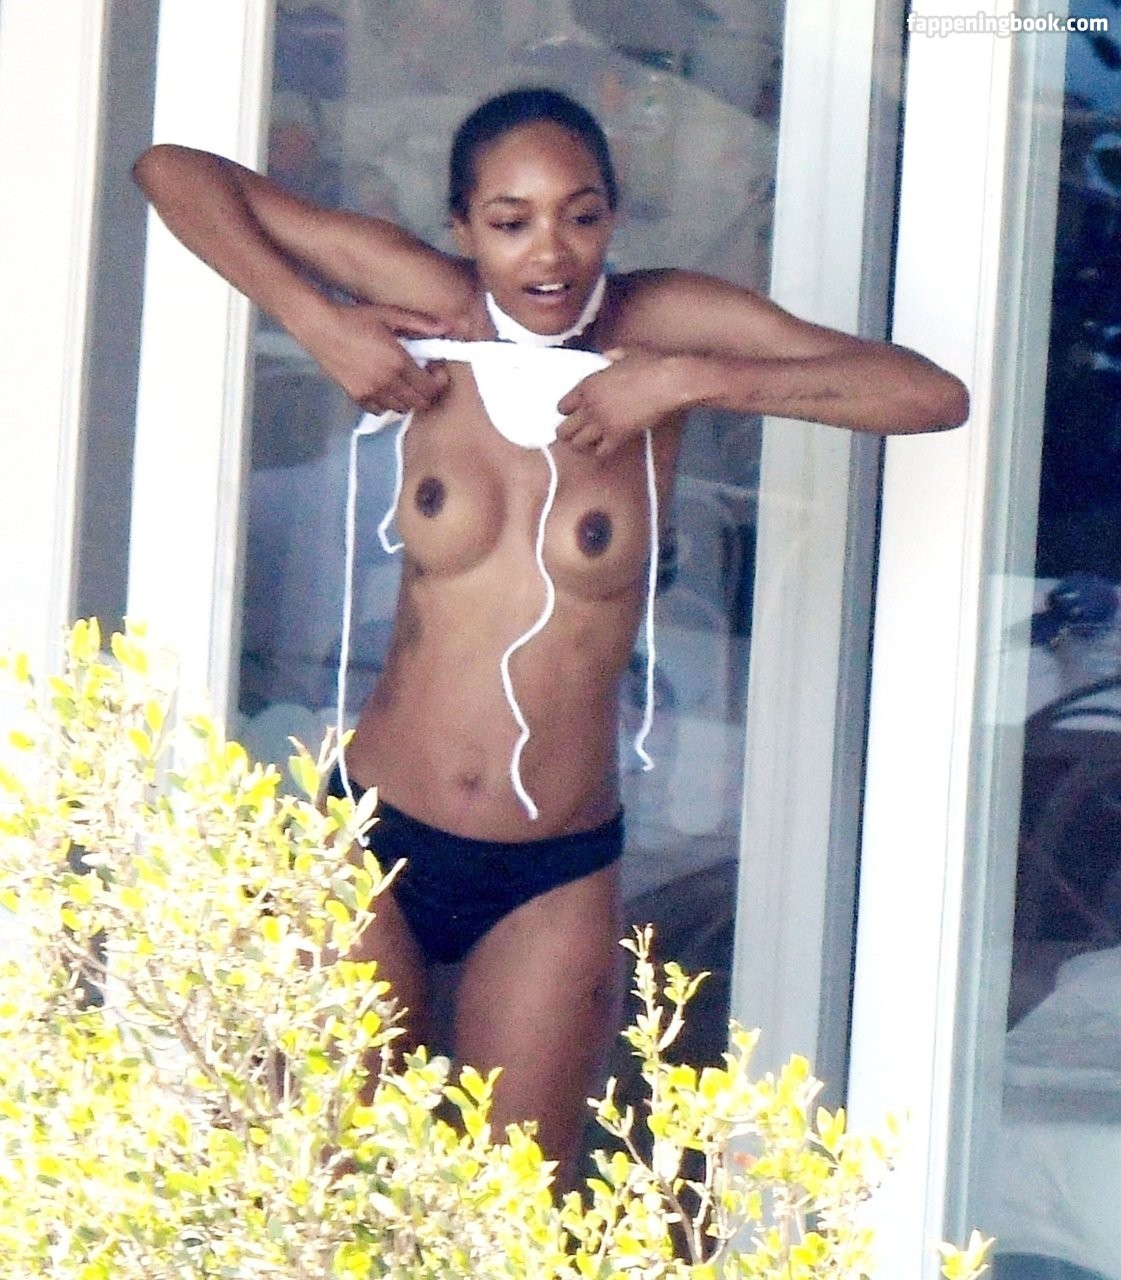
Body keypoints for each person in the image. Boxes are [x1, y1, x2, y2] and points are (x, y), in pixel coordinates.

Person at [133, 86, 968, 1185]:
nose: (549, 251)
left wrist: (689, 379)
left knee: (513, 1205)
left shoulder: (661, 325)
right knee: (327, 1192)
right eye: (509, 219)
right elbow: (172, 171)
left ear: (613, 216)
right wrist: (315, 318)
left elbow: (929, 395)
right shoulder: (433, 305)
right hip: (372, 835)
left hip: (553, 865)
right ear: (462, 225)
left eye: (580, 215)